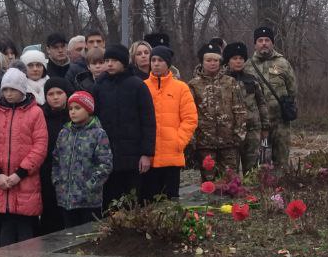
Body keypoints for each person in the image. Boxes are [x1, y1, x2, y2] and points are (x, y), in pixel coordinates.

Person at [0, 68, 48, 246]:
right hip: (0, 184)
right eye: (5, 89)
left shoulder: (36, 113)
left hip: (25, 181)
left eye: (13, 89)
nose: (9, 93)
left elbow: (40, 146)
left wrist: (19, 174)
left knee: (26, 237)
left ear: (22, 90)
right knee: (3, 237)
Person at [92, 43, 156, 208]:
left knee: (132, 203)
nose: (109, 64)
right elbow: (94, 119)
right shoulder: (99, 86)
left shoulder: (137, 85)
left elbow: (148, 122)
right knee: (110, 205)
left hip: (133, 158)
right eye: (107, 60)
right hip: (107, 157)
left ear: (124, 62)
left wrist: (146, 154)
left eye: (114, 60)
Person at [144, 45, 198, 200]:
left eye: (160, 60)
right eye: (153, 60)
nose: (156, 63)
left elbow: (190, 118)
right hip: (150, 156)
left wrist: (178, 142)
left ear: (168, 63)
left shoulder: (181, 88)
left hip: (172, 156)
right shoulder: (142, 86)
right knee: (149, 202)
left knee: (171, 202)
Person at [54, 91, 114, 227]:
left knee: (88, 237)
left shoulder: (98, 134)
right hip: (66, 198)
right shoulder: (64, 133)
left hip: (89, 200)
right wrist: (58, 182)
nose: (73, 112)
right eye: (70, 109)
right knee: (69, 236)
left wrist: (89, 186)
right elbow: (56, 160)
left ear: (88, 109)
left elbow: (105, 164)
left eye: (77, 108)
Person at [190, 43, 248, 179]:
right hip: (205, 143)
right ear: (202, 62)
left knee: (230, 181)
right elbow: (190, 113)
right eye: (208, 60)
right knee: (208, 182)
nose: (212, 63)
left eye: (215, 60)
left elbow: (240, 110)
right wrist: (193, 139)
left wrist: (239, 134)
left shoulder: (230, 82)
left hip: (229, 142)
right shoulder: (193, 84)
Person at [249, 26, 297, 167]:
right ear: (255, 44)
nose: (264, 43)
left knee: (281, 161)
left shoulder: (283, 63)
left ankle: (282, 187)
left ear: (272, 43)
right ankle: (264, 189)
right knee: (261, 164)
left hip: (280, 123)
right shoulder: (247, 66)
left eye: (267, 40)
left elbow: (292, 89)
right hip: (258, 125)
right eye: (260, 40)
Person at [224, 41, 269, 173]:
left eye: (241, 58)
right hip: (230, 132)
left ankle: (252, 193)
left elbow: (262, 103)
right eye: (234, 58)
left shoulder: (252, 79)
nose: (238, 61)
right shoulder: (222, 81)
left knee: (253, 170)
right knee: (230, 171)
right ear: (228, 61)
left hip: (252, 130)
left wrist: (265, 127)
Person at [40, 77, 72, 234]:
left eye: (59, 92)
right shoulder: (40, 116)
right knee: (50, 216)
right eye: (51, 93)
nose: (55, 97)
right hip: (47, 173)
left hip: (72, 174)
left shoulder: (75, 115)